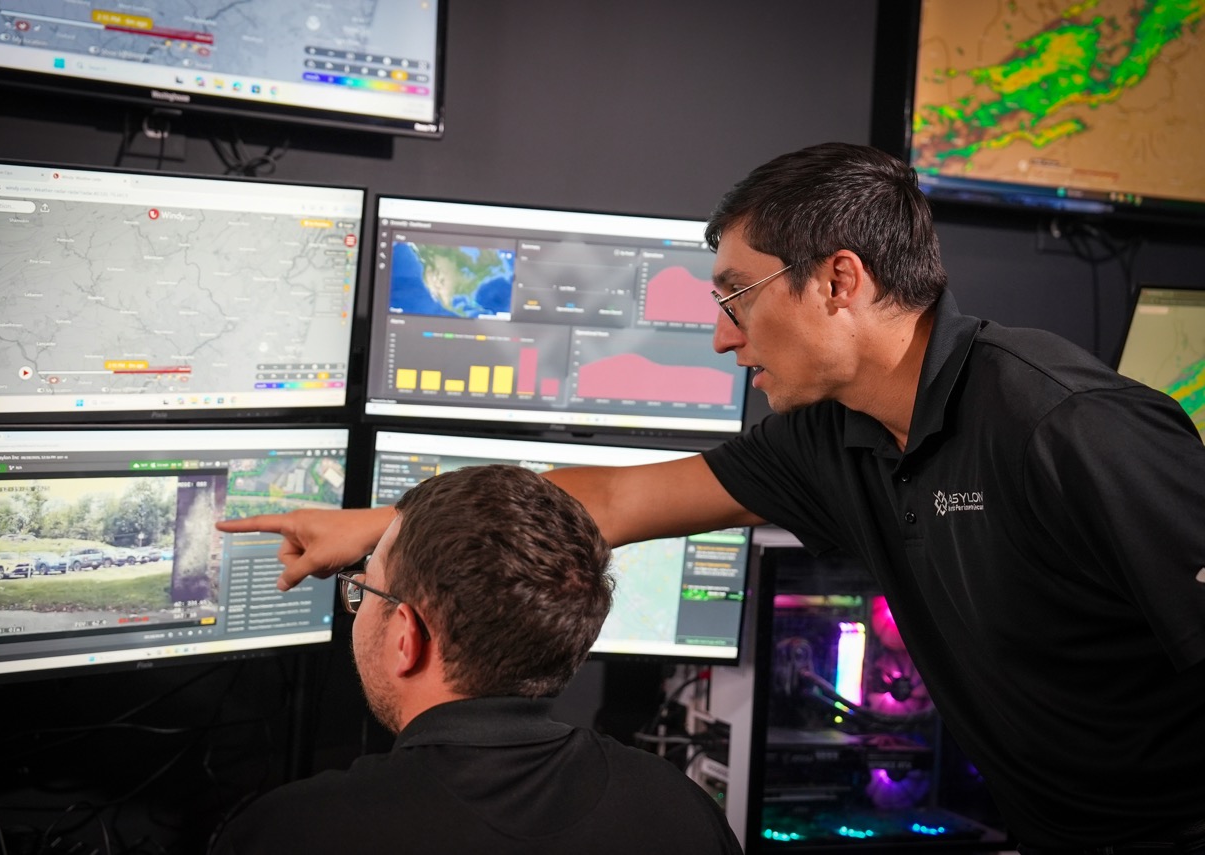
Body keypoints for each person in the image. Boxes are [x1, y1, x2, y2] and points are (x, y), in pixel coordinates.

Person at [218, 142, 1205, 854]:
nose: (723, 337)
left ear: (837, 281)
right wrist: (379, 528)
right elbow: (606, 500)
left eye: (733, 295)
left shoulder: (1064, 425)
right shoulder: (835, 436)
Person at [210, 464, 743, 855]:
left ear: (407, 636)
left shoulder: (292, 832)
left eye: (364, 591)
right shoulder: (680, 809)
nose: (359, 607)